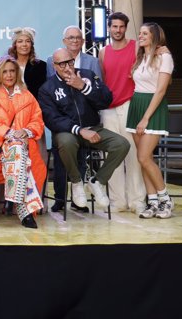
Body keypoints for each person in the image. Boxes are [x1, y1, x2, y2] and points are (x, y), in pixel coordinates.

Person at [38, 48, 129, 210]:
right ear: (54, 65)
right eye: (62, 64)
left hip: (93, 128)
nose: (67, 67)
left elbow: (106, 100)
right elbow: (52, 120)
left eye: (70, 62)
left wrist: (83, 87)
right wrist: (79, 130)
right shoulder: (47, 88)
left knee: (122, 144)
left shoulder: (87, 75)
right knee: (66, 141)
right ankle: (76, 182)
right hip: (68, 133)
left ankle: (97, 181)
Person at [0, 56, 46, 228]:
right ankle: (23, 210)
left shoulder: (27, 94)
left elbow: (37, 120)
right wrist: (11, 134)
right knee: (19, 152)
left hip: (24, 144)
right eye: (4, 71)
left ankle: (13, 199)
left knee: (19, 151)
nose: (9, 75)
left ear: (17, 72)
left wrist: (26, 131)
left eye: (12, 71)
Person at [45, 25, 101, 212]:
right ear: (64, 41)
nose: (74, 40)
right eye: (70, 37)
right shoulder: (51, 60)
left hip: (84, 119)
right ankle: (60, 198)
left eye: (78, 37)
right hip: (62, 120)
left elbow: (97, 91)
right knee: (60, 159)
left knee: (81, 159)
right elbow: (51, 88)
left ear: (83, 41)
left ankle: (79, 201)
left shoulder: (92, 62)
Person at [97, 12, 146, 213]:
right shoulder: (102, 52)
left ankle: (137, 200)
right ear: (108, 28)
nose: (118, 30)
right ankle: (117, 201)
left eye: (121, 26)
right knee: (112, 155)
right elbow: (104, 81)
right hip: (108, 109)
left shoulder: (136, 46)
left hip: (130, 105)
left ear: (126, 28)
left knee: (133, 154)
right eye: (114, 26)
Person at [126, 23, 175, 219]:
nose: (140, 36)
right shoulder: (141, 57)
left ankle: (166, 200)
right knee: (144, 160)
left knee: (144, 157)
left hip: (152, 108)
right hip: (136, 105)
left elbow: (161, 90)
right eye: (140, 33)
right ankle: (153, 202)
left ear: (154, 36)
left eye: (145, 33)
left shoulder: (164, 57)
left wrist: (146, 118)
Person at [8, 26, 49, 169]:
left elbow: (43, 93)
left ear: (32, 44)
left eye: (27, 41)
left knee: (37, 152)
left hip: (33, 115)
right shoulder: (6, 65)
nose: (24, 45)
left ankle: (39, 182)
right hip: (10, 115)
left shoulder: (41, 66)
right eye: (20, 41)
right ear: (15, 45)